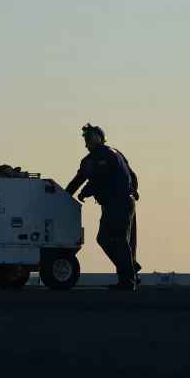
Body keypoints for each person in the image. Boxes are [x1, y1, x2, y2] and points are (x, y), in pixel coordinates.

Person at [65, 124, 136, 291]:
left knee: (119, 240)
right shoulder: (103, 156)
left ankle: (128, 280)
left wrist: (84, 193)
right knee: (104, 239)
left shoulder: (104, 156)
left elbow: (97, 178)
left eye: (88, 139)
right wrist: (63, 195)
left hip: (120, 203)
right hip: (114, 204)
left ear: (97, 138)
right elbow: (79, 179)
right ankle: (130, 269)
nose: (86, 143)